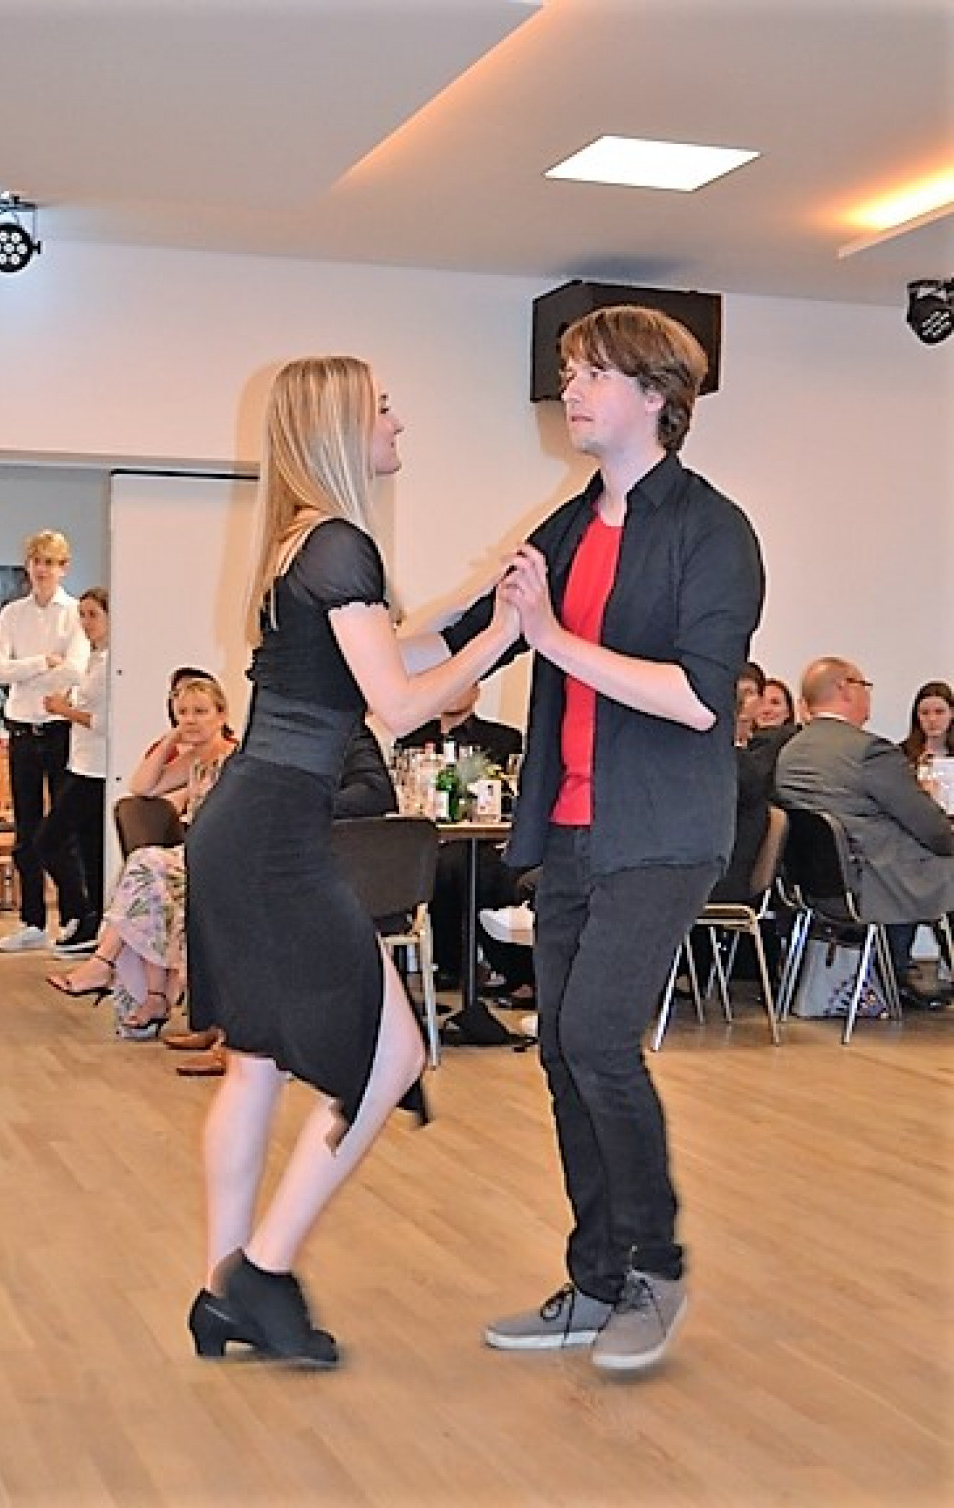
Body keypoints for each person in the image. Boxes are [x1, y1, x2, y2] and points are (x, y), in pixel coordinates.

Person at [412, 305, 764, 1372]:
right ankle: (598, 1277)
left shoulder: (713, 531)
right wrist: (343, 634)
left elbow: (698, 699)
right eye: (568, 371)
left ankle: (655, 1266)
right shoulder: (568, 525)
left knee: (599, 1036)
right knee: (563, 1047)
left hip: (661, 828)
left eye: (593, 372)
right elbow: (474, 631)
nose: (569, 389)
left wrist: (555, 636)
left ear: (657, 395)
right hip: (567, 829)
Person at [182, 355, 518, 1366]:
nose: (396, 422)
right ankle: (263, 1271)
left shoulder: (299, 543)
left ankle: (221, 1291)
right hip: (275, 838)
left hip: (249, 828)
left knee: (255, 1064)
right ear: (337, 425)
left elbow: (386, 649)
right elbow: (402, 705)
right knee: (392, 1057)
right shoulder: (340, 542)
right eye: (382, 407)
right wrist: (504, 633)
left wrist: (476, 602)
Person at [165, 720, 399, 1076]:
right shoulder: (278, 734)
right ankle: (215, 1022)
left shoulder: (347, 732)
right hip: (277, 851)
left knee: (244, 909)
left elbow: (376, 793)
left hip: (316, 867)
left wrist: (305, 805)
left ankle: (241, 1041)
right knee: (211, 888)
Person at [46, 676, 237, 1036]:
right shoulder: (193, 759)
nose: (190, 720)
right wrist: (171, 740)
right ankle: (153, 996)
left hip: (226, 858)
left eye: (200, 712)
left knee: (146, 866)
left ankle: (105, 964)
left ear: (221, 714)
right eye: (182, 713)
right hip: (195, 855)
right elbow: (142, 786)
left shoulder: (235, 758)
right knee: (148, 883)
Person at [775, 657, 954, 995]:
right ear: (845, 689)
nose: (868, 694)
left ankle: (898, 974)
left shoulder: (790, 752)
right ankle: (900, 975)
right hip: (874, 882)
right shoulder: (868, 751)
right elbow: (929, 826)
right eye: (864, 685)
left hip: (816, 887)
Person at [0, 529, 89, 952]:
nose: (42, 570)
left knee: (63, 828)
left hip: (61, 730)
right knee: (26, 828)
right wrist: (42, 662)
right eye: (36, 562)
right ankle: (31, 922)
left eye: (50, 562)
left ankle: (75, 917)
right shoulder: (12, 614)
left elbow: (76, 670)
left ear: (63, 567)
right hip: (22, 731)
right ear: (28, 565)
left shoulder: (76, 613)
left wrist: (25, 671)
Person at [398, 683, 526, 994]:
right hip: (431, 839)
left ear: (477, 690)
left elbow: (510, 795)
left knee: (475, 869)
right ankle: (450, 966)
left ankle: (503, 968)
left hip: (486, 840)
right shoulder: (412, 739)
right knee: (439, 864)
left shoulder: (503, 738)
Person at [35, 588, 110, 957]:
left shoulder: (113, 664)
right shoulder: (93, 660)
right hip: (79, 763)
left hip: (97, 770)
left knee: (48, 840)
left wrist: (64, 710)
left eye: (93, 614)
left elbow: (106, 722)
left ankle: (84, 912)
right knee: (88, 848)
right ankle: (91, 919)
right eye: (82, 614)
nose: (86, 622)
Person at [900, 680, 954, 772]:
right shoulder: (900, 754)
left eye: (939, 712)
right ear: (917, 716)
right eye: (925, 713)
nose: (932, 719)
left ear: (952, 713)